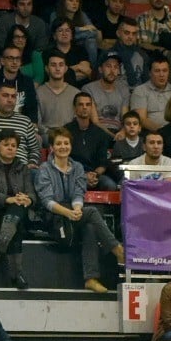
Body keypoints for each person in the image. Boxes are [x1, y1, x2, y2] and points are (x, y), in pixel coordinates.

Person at [35, 126, 124, 294]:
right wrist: (69, 212)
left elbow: (78, 193)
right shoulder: (44, 170)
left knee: (90, 226)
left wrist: (76, 209)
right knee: (91, 213)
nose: (63, 147)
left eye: (66, 143)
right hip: (53, 217)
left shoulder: (77, 168)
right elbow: (47, 201)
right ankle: (117, 249)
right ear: (52, 148)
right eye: (59, 143)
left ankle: (90, 279)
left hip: (73, 214)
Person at [0, 128, 36, 290]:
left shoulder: (23, 168)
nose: (11, 148)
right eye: (6, 145)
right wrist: (9, 199)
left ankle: (3, 242)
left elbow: (32, 192)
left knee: (16, 212)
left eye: (14, 145)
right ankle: (17, 276)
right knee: (16, 223)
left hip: (19, 212)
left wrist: (28, 199)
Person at [65, 91, 119, 189]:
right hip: (71, 174)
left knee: (110, 185)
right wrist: (83, 175)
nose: (85, 107)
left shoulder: (100, 133)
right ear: (75, 108)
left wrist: (94, 175)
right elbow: (63, 160)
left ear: (92, 108)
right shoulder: (66, 131)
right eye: (81, 104)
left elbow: (103, 162)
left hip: (95, 175)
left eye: (88, 104)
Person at [84, 51, 130, 136]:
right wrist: (111, 136)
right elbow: (95, 121)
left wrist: (122, 132)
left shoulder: (124, 89)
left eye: (115, 67)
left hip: (118, 131)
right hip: (97, 131)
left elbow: (125, 118)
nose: (112, 70)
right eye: (108, 66)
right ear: (100, 69)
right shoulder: (88, 89)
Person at [37, 51, 79, 134]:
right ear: (46, 68)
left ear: (66, 68)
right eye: (53, 65)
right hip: (47, 135)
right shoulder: (38, 93)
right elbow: (37, 122)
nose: (57, 68)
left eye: (61, 65)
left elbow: (77, 120)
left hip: (69, 135)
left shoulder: (76, 93)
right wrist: (51, 133)